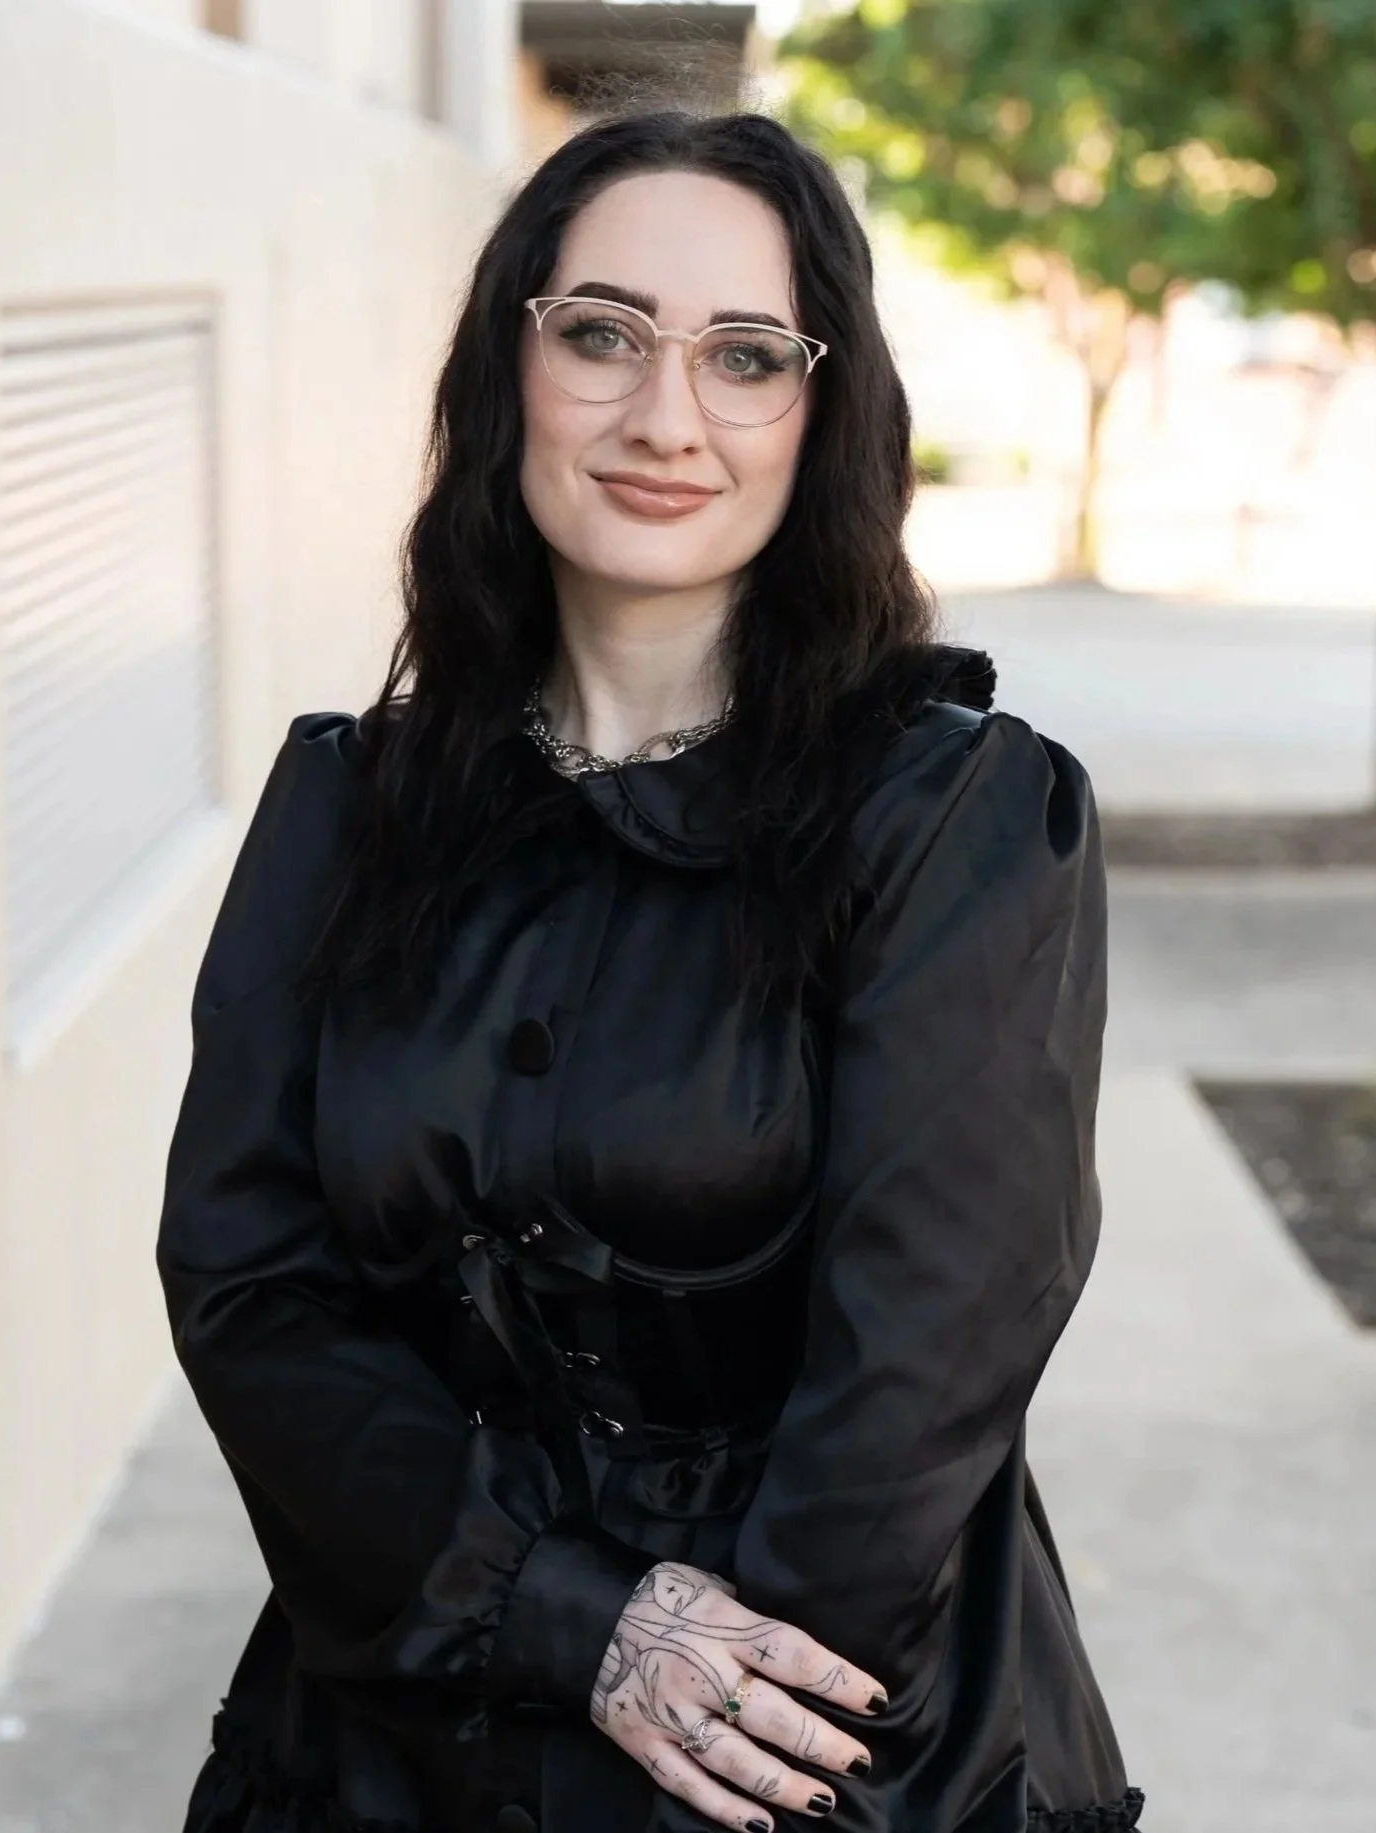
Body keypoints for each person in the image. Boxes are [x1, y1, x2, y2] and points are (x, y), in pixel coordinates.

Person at [156, 109, 1143, 1833]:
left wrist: (700, 1700)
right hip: (392, 1723)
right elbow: (250, 1290)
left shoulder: (959, 823)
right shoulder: (346, 808)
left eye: (747, 357)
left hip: (819, 1744)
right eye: (603, 334)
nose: (666, 418)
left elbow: (930, 1355)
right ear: (507, 368)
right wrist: (569, 1623)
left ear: (821, 414)